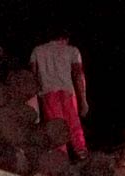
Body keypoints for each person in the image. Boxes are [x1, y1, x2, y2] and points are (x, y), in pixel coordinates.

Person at [30, 29, 89, 160]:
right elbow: (79, 74)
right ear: (65, 38)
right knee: (73, 124)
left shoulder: (37, 51)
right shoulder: (72, 50)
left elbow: (32, 76)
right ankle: (81, 151)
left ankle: (61, 158)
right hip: (67, 92)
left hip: (48, 93)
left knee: (56, 128)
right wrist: (83, 100)